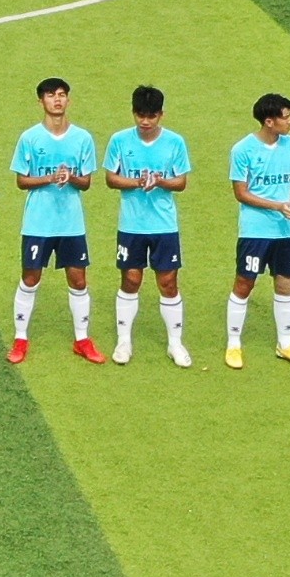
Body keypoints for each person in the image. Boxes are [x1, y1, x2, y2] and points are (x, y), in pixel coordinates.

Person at [11, 78, 101, 365]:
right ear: (41, 102)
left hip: (71, 224)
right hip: (38, 223)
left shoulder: (83, 138)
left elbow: (86, 182)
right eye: (51, 96)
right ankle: (21, 339)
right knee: (30, 277)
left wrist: (71, 177)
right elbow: (21, 180)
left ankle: (82, 339)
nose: (57, 100)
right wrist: (49, 178)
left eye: (62, 95)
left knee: (78, 279)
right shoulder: (30, 138)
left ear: (68, 100)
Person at [223, 92, 290, 372]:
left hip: (286, 232)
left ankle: (285, 344)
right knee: (244, 283)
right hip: (255, 231)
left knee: (286, 284)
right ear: (270, 121)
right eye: (286, 117)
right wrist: (277, 206)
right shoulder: (242, 150)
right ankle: (234, 344)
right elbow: (241, 193)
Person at [105, 85, 192, 368]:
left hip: (164, 226)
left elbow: (180, 182)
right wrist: (138, 182)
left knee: (168, 282)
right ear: (133, 113)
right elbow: (111, 178)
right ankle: (124, 341)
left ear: (161, 115)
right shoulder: (119, 140)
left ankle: (175, 344)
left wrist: (161, 181)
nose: (145, 121)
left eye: (151, 116)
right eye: (140, 115)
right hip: (131, 226)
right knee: (131, 280)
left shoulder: (175, 143)